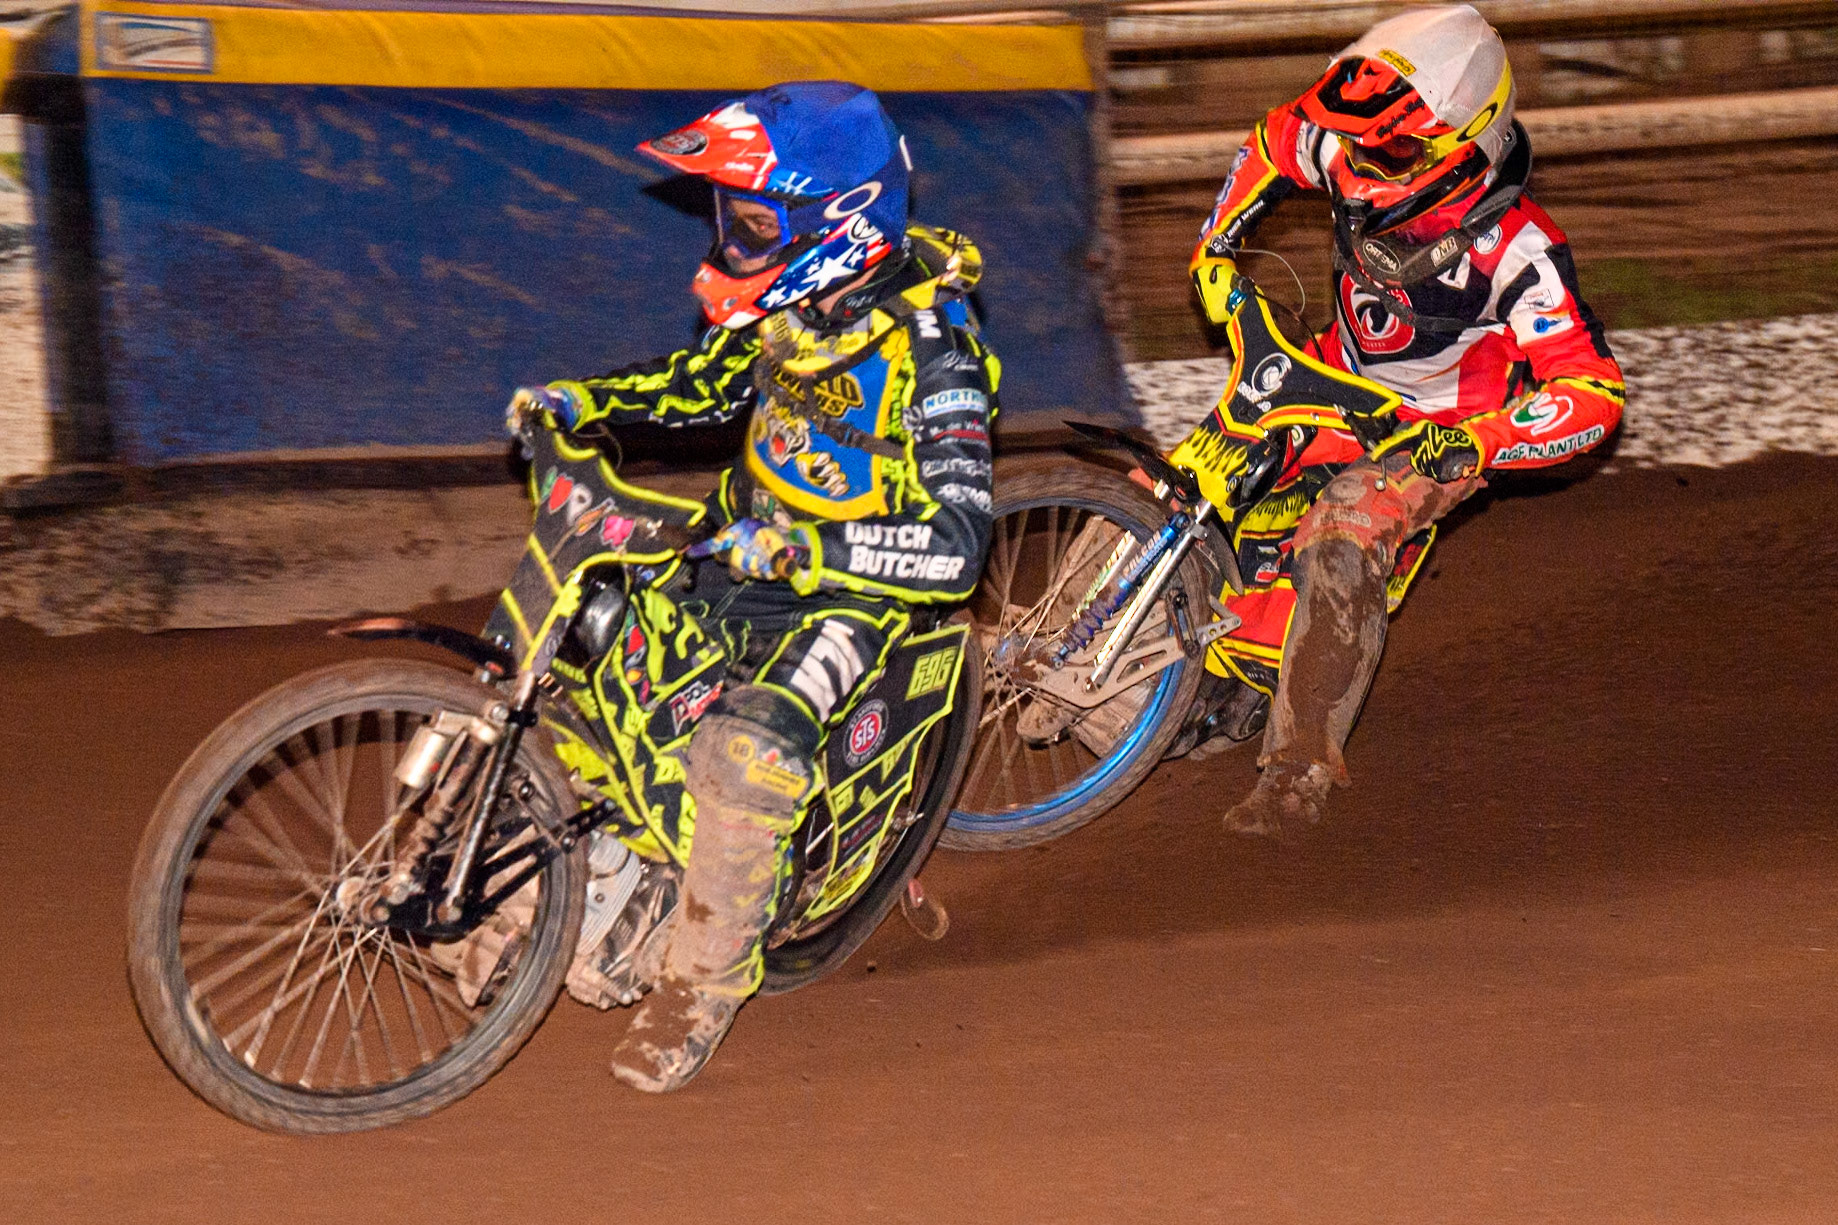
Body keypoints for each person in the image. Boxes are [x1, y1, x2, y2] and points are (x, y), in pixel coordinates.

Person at [510, 81, 998, 1090]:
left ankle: (701, 984)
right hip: (741, 549)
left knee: (744, 751)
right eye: (732, 221)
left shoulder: (931, 347)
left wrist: (813, 557)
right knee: (588, 650)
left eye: (753, 223)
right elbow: (703, 386)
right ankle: (545, 895)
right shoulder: (791, 306)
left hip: (854, 592)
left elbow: (955, 546)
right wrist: (578, 400)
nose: (733, 243)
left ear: (838, 224)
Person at [1176, 5, 1625, 836]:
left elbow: (1595, 392)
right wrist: (1216, 245)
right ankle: (1144, 686)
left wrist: (1484, 441)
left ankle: (1296, 774)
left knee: (1342, 531)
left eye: (1388, 152)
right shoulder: (1353, 149)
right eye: (1355, 145)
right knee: (1187, 485)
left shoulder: (1519, 251)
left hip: (1435, 432)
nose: (1357, 170)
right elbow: (1279, 138)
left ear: (1468, 149)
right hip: (1336, 375)